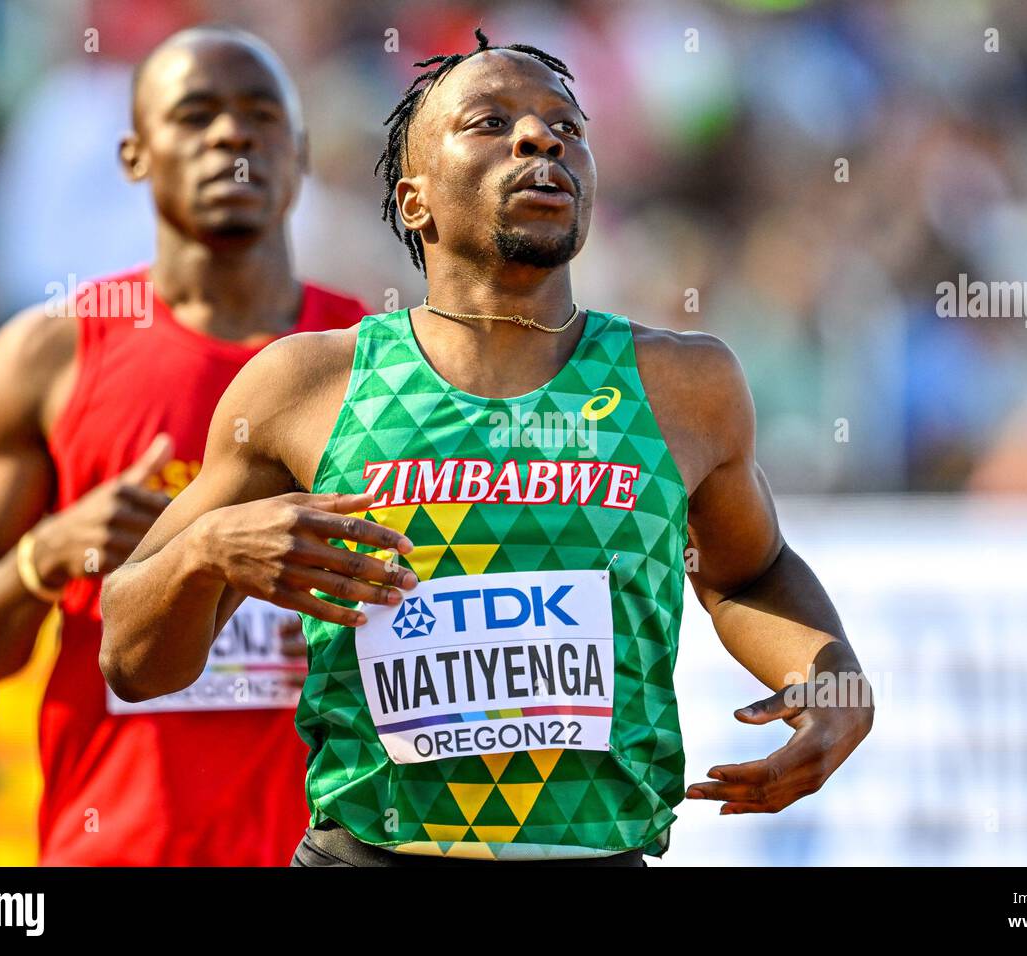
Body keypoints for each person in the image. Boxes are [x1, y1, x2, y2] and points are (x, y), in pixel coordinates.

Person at [100, 29, 873, 866]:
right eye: (490, 123)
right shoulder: (305, 385)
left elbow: (749, 572)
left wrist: (831, 681)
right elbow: (132, 658)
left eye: (566, 128)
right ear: (415, 201)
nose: (541, 139)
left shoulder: (686, 385)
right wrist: (207, 553)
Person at [0, 25, 369, 865]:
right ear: (134, 154)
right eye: (196, 114)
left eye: (260, 116)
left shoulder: (382, 359)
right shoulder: (49, 357)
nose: (231, 136)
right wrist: (45, 555)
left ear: (301, 152)